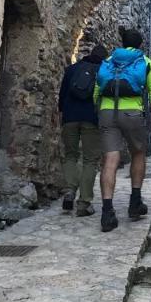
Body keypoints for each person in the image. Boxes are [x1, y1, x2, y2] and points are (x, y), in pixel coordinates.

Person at [95, 27, 151, 232]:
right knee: (139, 153)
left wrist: (99, 113)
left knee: (110, 159)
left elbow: (96, 90)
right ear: (140, 44)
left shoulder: (107, 61)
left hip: (107, 111)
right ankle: (135, 203)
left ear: (122, 43)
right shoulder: (146, 62)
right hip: (133, 112)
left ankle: (107, 212)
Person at [57, 43, 107, 216]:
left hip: (70, 117)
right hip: (91, 119)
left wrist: (63, 114)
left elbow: (62, 95)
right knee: (90, 160)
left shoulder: (72, 69)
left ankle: (70, 190)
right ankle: (84, 203)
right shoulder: (103, 72)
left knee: (70, 155)